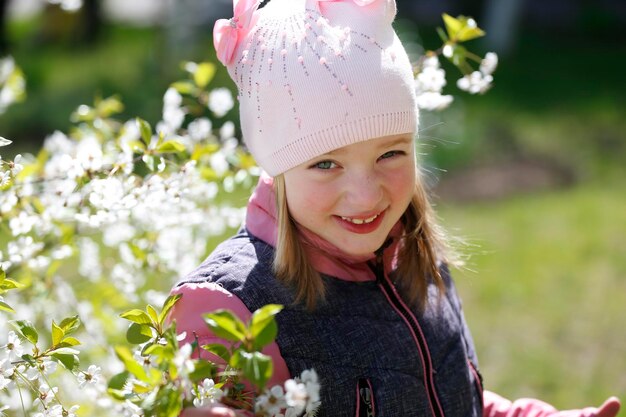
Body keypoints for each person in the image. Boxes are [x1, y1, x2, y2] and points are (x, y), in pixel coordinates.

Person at [169, 0, 622, 416]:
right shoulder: (225, 311)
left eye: (391, 154)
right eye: (326, 163)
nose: (367, 196)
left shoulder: (413, 255)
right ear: (278, 169)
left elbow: (453, 400)